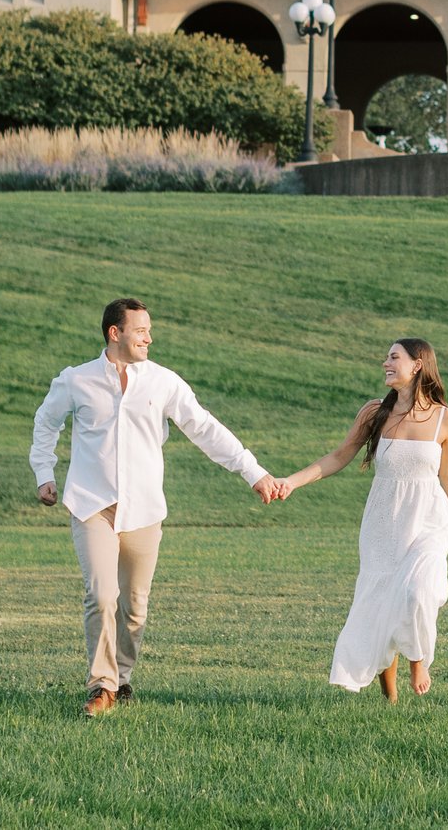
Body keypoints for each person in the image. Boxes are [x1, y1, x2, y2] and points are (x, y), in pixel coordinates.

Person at [30, 298, 280, 716]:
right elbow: (46, 421)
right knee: (101, 595)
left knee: (134, 605)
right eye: (141, 330)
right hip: (92, 504)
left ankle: (122, 678)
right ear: (116, 333)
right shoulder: (77, 380)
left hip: (144, 509)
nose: (149, 337)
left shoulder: (163, 382)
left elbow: (204, 428)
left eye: (149, 330)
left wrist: (252, 472)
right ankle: (101, 686)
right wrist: (44, 472)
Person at [274, 337, 448, 700]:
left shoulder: (446, 419)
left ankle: (418, 659)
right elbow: (338, 456)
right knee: (382, 599)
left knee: (418, 591)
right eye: (386, 357)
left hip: (429, 517)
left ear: (417, 365)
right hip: (385, 519)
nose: (385, 362)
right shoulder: (373, 412)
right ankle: (391, 697)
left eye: (394, 357)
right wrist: (292, 482)